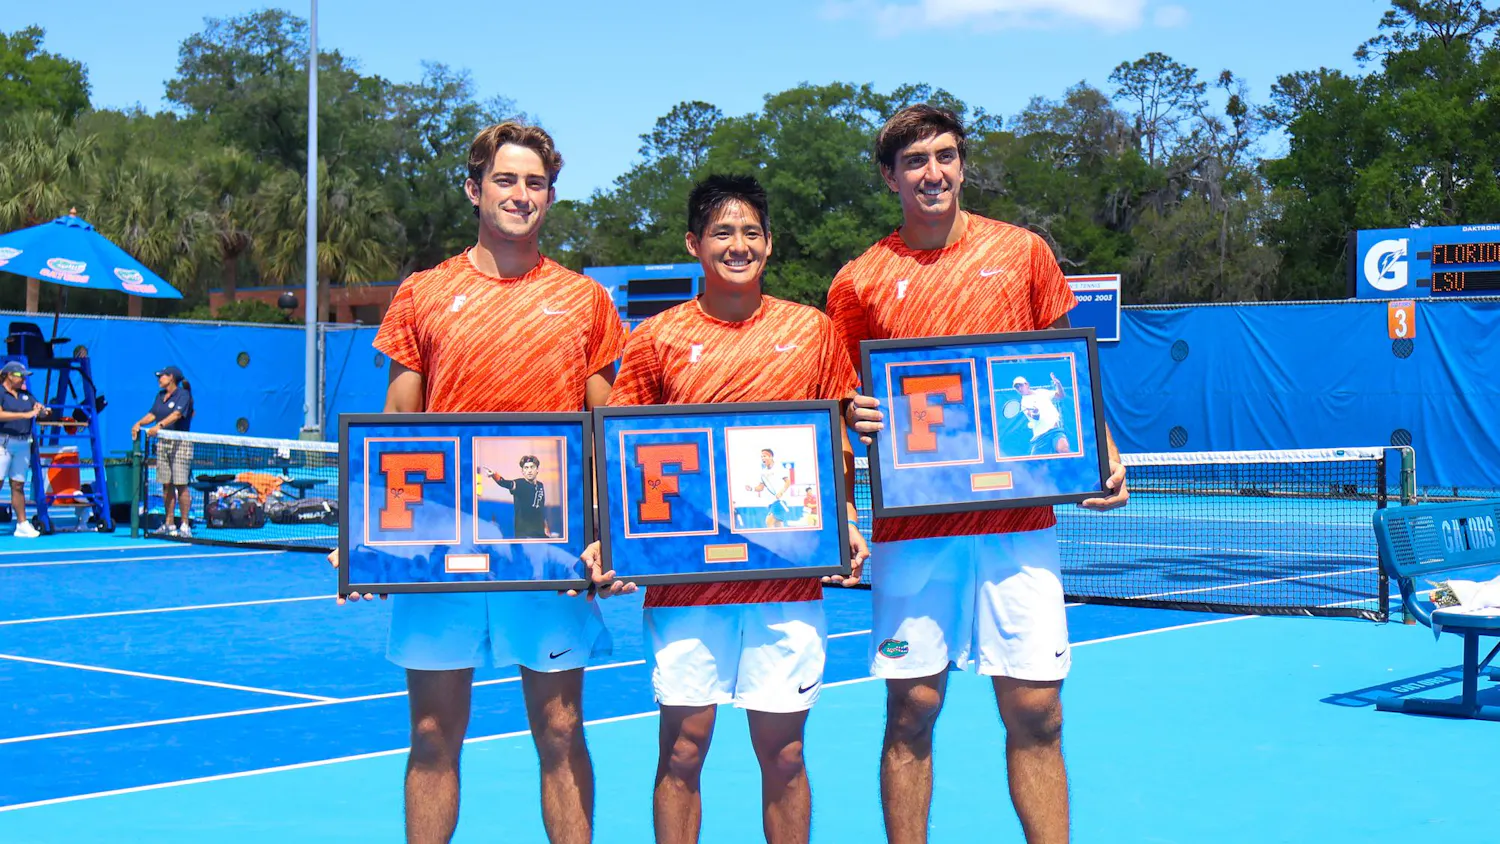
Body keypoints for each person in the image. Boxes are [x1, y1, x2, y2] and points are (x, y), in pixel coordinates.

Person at [826, 104, 1129, 844]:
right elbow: (837, 401)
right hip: (913, 528)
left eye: (946, 155)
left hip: (1017, 523)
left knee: (1038, 711)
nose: (934, 172)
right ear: (890, 177)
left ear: (961, 164)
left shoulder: (1023, 252)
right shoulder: (859, 281)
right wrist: (850, 434)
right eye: (917, 161)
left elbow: (1066, 364)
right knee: (913, 709)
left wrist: (1103, 452)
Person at [332, 121, 627, 844]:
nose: (520, 195)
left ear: (550, 196)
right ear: (474, 189)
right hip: (442, 543)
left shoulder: (585, 299)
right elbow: (397, 420)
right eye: (505, 179)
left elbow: (607, 426)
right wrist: (369, 538)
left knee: (560, 733)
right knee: (433, 735)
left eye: (534, 183)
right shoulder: (423, 292)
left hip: (545, 542)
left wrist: (614, 537)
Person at [586, 174, 869, 844]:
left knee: (786, 754)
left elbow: (836, 443)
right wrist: (611, 539)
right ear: (694, 243)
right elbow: (622, 451)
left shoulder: (812, 332)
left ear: (768, 244)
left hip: (786, 578)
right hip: (688, 583)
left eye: (749, 232)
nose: (737, 245)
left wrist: (848, 517)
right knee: (683, 751)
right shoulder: (656, 339)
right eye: (721, 232)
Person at [131, 365, 195, 537]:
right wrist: (139, 423)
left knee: (181, 485)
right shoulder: (160, 396)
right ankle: (169, 524)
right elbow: (152, 414)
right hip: (163, 443)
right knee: (166, 485)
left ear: (172, 377)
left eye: (162, 376)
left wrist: (158, 426)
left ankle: (184, 524)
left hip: (180, 443)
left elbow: (176, 415)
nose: (159, 379)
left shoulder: (184, 395)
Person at [0, 361, 48, 537]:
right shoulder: (1, 393)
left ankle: (22, 524)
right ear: (10, 376)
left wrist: (41, 410)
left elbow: (37, 410)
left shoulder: (26, 394)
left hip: (23, 444)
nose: (23, 380)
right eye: (20, 376)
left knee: (18, 485)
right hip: (3, 444)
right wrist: (24, 415)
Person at [484, 454, 549, 538]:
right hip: (525, 534)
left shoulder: (540, 485)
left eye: (532, 467)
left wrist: (546, 527)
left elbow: (541, 509)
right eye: (526, 468)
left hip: (540, 533)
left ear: (537, 470)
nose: (529, 470)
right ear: (522, 471)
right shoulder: (520, 484)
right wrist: (494, 475)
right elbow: (505, 483)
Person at [1013, 374, 1070, 455]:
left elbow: (1061, 395)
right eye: (1017, 387)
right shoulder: (1024, 403)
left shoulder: (1041, 392)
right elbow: (1035, 417)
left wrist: (1058, 384)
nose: (1019, 388)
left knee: (1064, 450)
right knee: (1035, 464)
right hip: (1041, 436)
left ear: (1027, 384)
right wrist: (1036, 412)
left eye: (1020, 385)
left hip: (1055, 430)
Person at [745, 448, 792, 527]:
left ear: (770, 457)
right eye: (761, 457)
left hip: (780, 501)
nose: (763, 458)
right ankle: (781, 538)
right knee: (778, 525)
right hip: (771, 502)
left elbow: (788, 482)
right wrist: (751, 489)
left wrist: (781, 492)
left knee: (768, 521)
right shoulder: (763, 472)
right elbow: (761, 487)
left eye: (765, 456)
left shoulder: (779, 468)